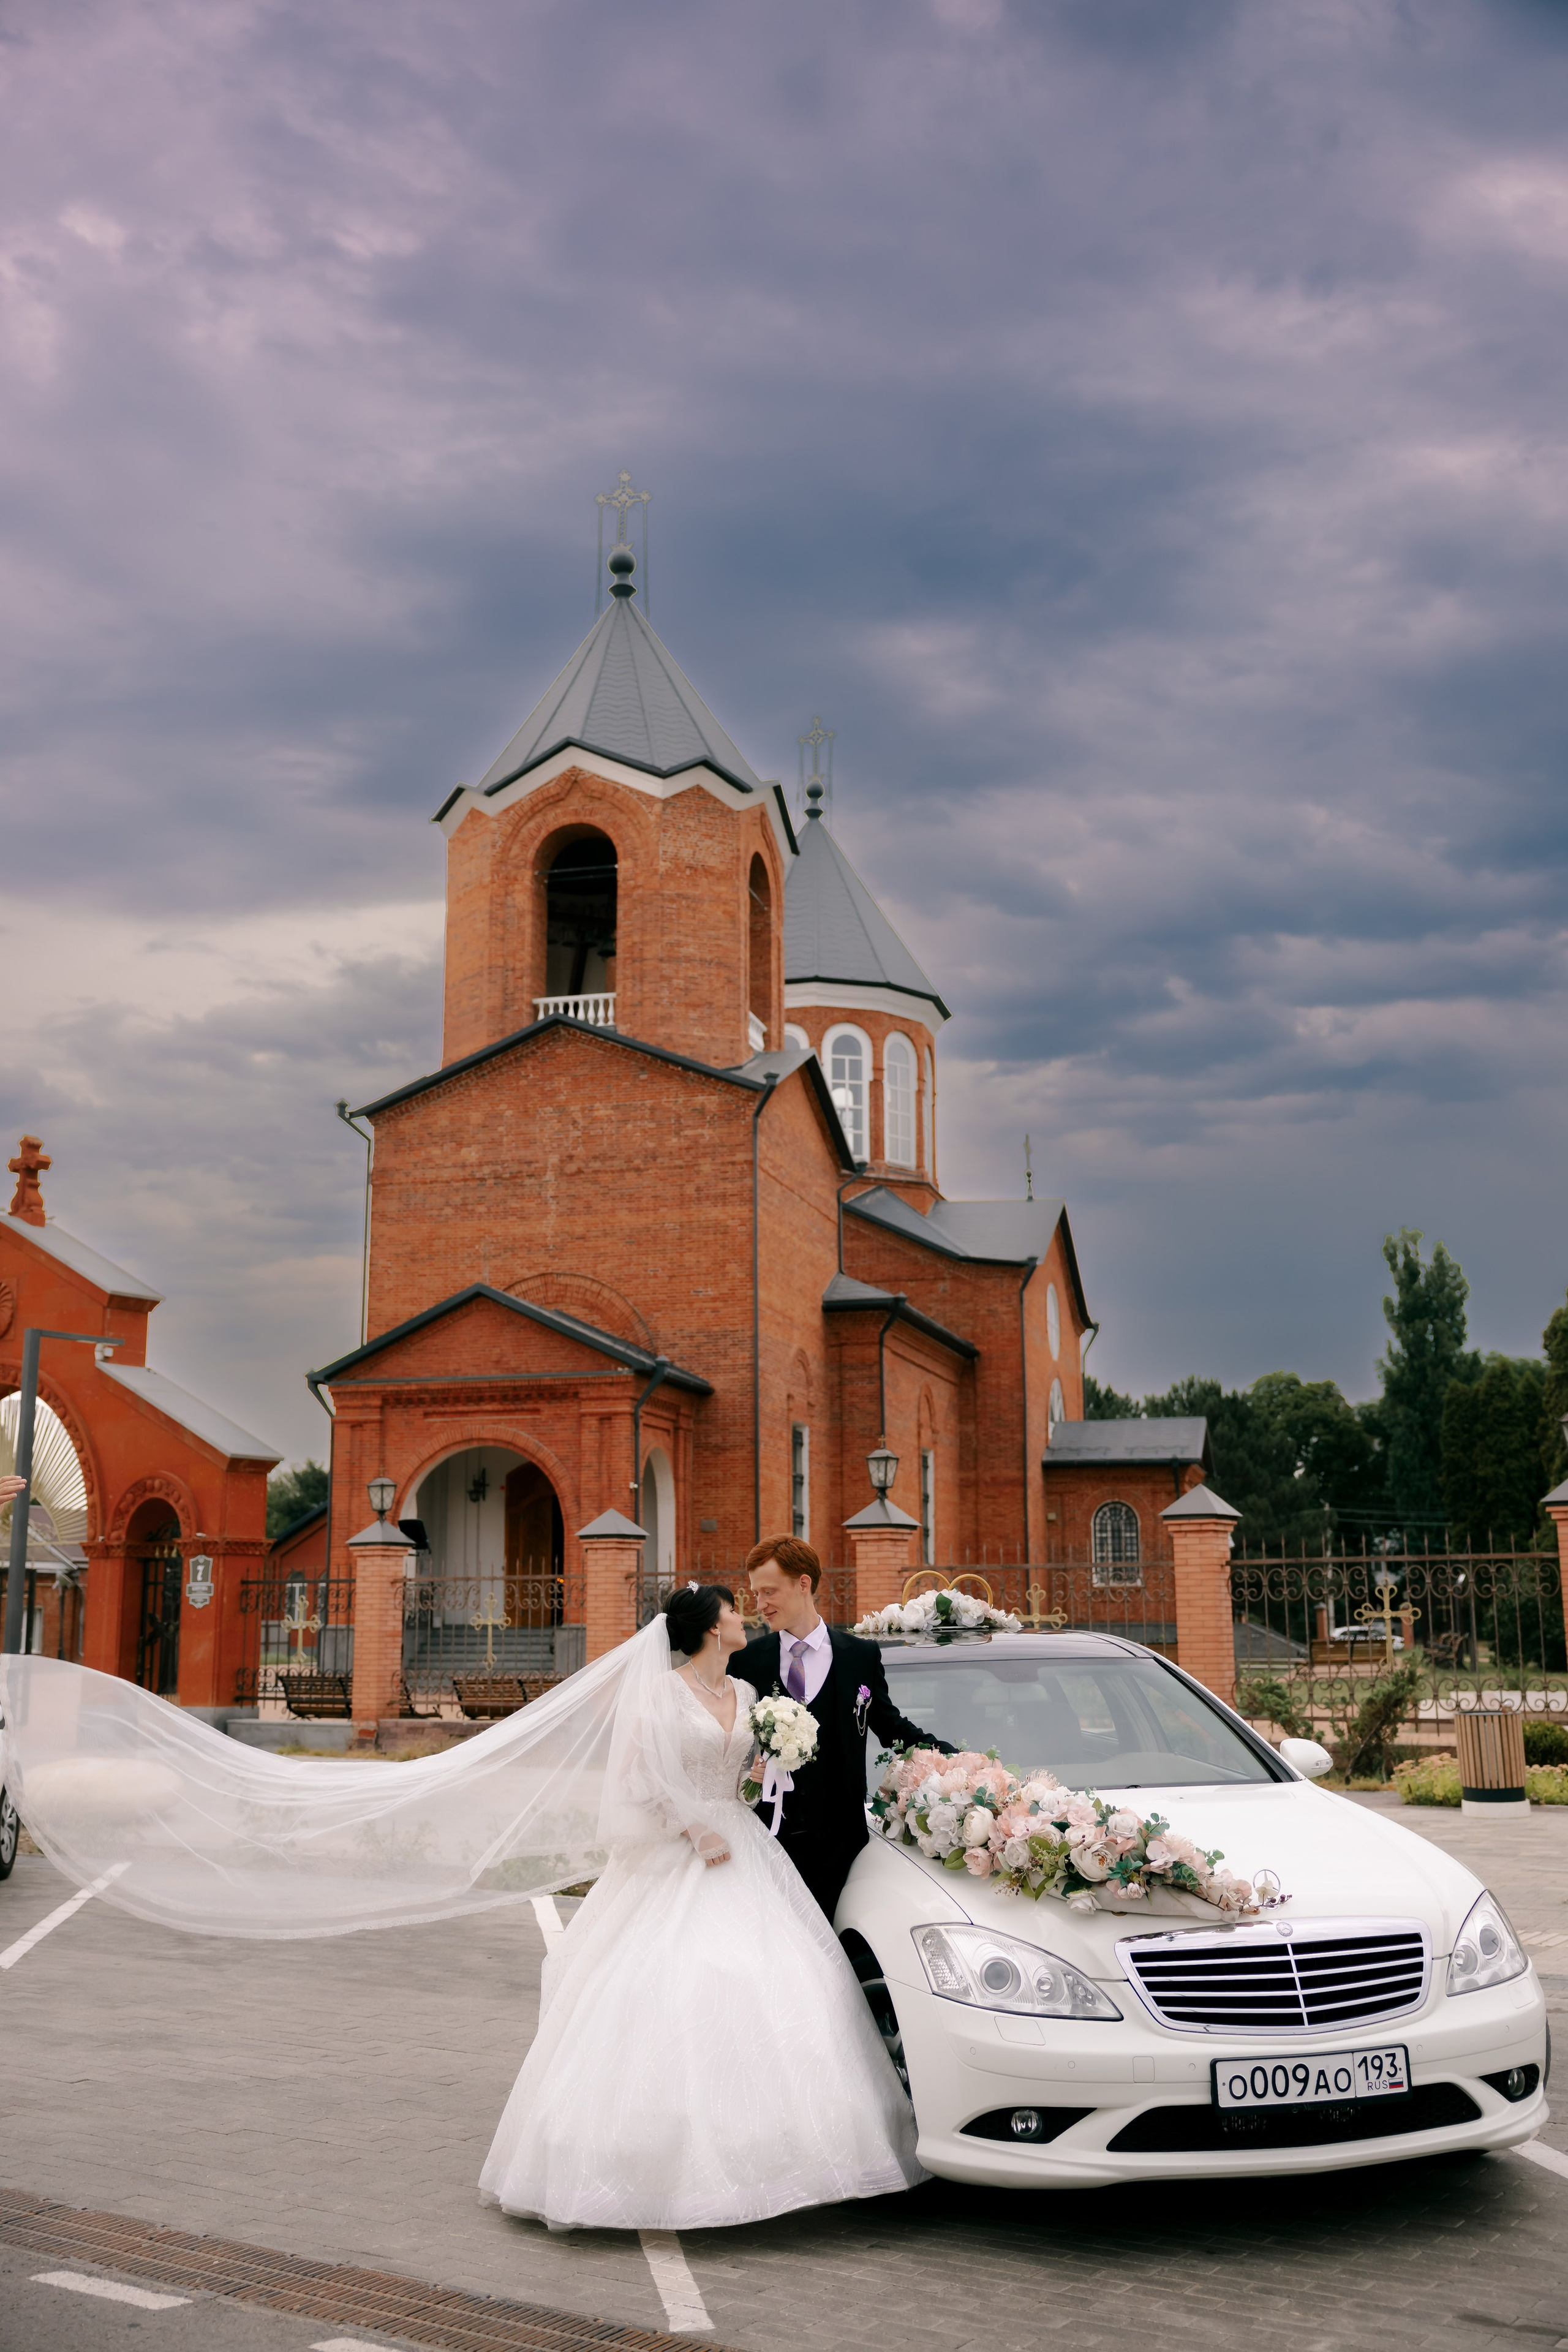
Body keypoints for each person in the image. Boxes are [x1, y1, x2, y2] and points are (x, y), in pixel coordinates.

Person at [478, 1583, 924, 2231]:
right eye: (733, 1610)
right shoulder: (661, 1694)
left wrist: (759, 1775)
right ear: (713, 1628)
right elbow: (636, 1780)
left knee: (785, 1977)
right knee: (682, 1981)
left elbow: (739, 1781)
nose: (744, 1617)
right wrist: (694, 1828)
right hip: (683, 1849)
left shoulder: (745, 1692)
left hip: (744, 1843)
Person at [730, 1536, 949, 1920]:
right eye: (755, 1594)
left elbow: (890, 1726)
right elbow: (731, 1743)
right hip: (767, 1838)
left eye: (769, 1591)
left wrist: (951, 1756)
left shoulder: (859, 1655)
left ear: (803, 1584)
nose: (759, 1604)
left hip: (841, 1844)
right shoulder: (747, 1661)